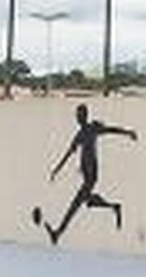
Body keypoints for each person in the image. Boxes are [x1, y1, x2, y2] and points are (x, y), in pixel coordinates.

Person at [35, 103, 136, 243]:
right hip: (86, 174)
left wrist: (128, 132)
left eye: (80, 115)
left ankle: (57, 233)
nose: (78, 117)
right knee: (89, 202)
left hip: (91, 175)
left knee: (74, 205)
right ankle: (114, 206)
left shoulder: (92, 128)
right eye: (77, 115)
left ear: (85, 115)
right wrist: (56, 170)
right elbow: (68, 154)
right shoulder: (79, 135)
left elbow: (111, 129)